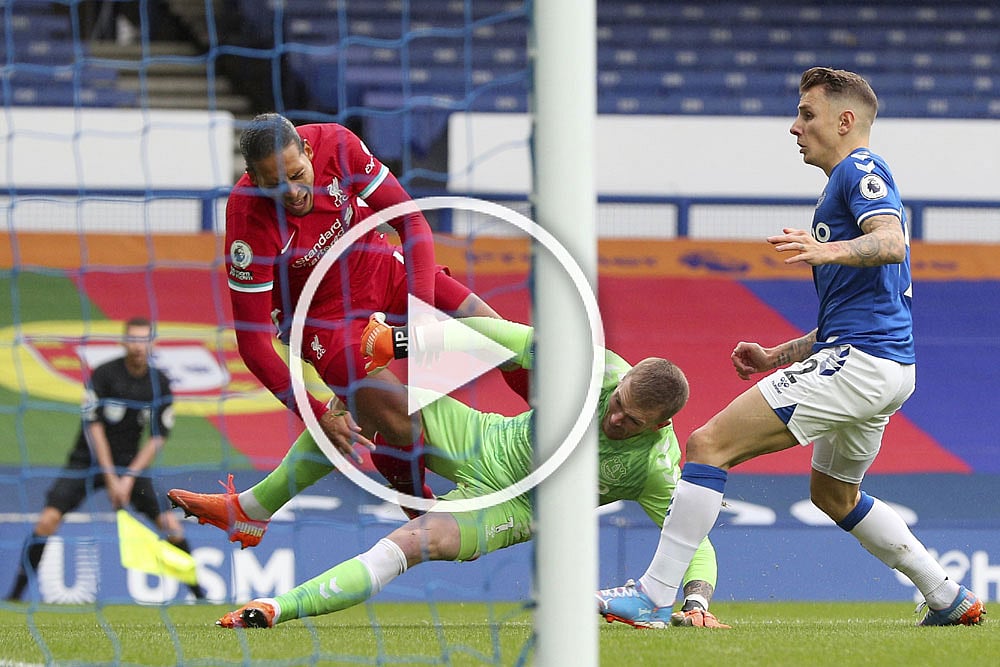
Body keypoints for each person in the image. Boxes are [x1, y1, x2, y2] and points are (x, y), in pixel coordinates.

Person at [597, 67, 986, 627]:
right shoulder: (841, 187)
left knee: (707, 445)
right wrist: (776, 357)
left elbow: (892, 241)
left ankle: (653, 595)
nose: (795, 127)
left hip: (860, 366)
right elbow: (849, 320)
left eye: (807, 114)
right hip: (885, 366)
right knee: (834, 495)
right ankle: (947, 596)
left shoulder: (861, 170)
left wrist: (829, 251)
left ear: (844, 120)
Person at [203, 314, 727, 630]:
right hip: (483, 436)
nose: (614, 418)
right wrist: (401, 341)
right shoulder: (601, 369)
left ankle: (274, 608)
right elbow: (499, 336)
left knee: (411, 543)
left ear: (661, 424)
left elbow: (692, 539)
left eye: (631, 421)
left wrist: (697, 599)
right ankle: (252, 509)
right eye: (617, 403)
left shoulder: (656, 466)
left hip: (514, 506)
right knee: (363, 397)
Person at [217, 112, 527, 528]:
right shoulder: (247, 222)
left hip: (378, 264)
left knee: (503, 338)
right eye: (275, 184)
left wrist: (420, 316)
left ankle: (547, 437)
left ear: (307, 151)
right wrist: (316, 415)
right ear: (254, 180)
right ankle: (417, 505)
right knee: (401, 419)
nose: (292, 192)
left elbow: (410, 220)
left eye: (297, 174)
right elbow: (253, 344)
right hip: (322, 319)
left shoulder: (337, 145)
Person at [6, 317, 204, 601]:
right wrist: (112, 478)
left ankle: (200, 596)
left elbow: (158, 437)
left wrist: (128, 478)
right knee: (47, 520)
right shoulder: (104, 375)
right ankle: (14, 596)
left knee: (170, 525)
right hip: (86, 462)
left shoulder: (158, 383)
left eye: (144, 340)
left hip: (130, 467)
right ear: (123, 342)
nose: (138, 346)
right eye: (133, 339)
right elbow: (94, 427)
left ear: (152, 343)